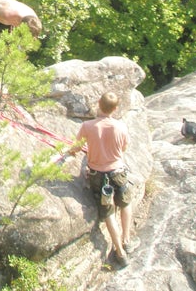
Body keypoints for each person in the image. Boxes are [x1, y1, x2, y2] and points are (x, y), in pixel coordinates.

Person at [69, 91, 137, 270]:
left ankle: (120, 253)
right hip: (118, 172)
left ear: (99, 103)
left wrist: (71, 151)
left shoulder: (88, 126)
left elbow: (76, 147)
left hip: (98, 176)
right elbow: (124, 147)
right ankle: (126, 240)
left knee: (108, 213)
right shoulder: (120, 127)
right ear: (115, 109)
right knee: (125, 203)